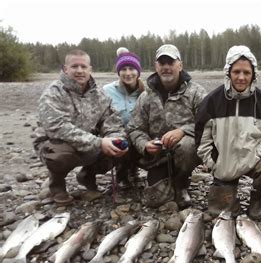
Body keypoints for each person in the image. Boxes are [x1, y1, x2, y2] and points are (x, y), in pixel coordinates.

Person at [195, 45, 261, 220]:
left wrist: (257, 154)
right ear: (228, 72)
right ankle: (225, 188)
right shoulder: (212, 101)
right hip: (224, 165)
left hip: (252, 160)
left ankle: (256, 200)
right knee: (221, 215)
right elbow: (201, 136)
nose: (241, 77)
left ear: (253, 74)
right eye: (236, 72)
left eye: (246, 72)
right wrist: (211, 161)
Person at [34, 49, 127, 205]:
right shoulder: (53, 93)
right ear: (65, 69)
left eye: (83, 67)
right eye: (74, 66)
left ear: (90, 69)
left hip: (90, 143)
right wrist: (98, 142)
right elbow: (58, 128)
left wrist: (116, 139)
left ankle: (87, 175)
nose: (79, 70)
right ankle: (56, 186)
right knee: (59, 156)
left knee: (118, 148)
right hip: (57, 144)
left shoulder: (100, 95)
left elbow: (112, 122)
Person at [127, 44, 207, 209]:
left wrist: (183, 131)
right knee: (154, 201)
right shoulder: (146, 96)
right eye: (162, 63)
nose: (166, 67)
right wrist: (145, 145)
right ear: (156, 66)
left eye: (170, 62)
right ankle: (151, 176)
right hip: (157, 156)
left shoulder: (197, 92)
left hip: (185, 152)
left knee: (187, 146)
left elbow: (209, 123)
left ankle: (181, 183)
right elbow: (134, 128)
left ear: (180, 65)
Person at [103, 48, 145, 188]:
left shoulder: (147, 91)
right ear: (118, 71)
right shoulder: (106, 91)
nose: (128, 73)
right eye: (124, 69)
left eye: (132, 68)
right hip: (117, 136)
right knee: (120, 140)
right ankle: (121, 175)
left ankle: (135, 170)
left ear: (138, 71)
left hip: (140, 136)